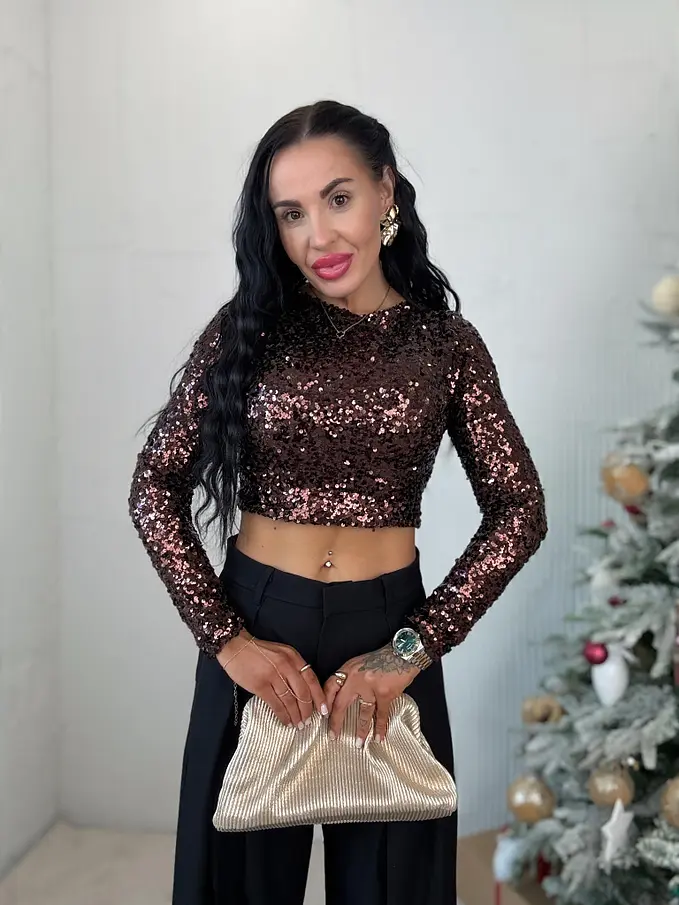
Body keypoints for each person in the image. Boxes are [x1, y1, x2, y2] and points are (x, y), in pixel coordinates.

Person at [128, 100, 548, 905]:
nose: (317, 236)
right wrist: (225, 638)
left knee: (395, 885)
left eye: (338, 198)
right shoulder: (246, 330)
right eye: (290, 213)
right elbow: (155, 485)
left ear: (385, 191)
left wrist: (411, 649)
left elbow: (517, 506)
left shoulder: (445, 345)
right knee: (236, 884)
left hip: (389, 629)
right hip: (256, 623)